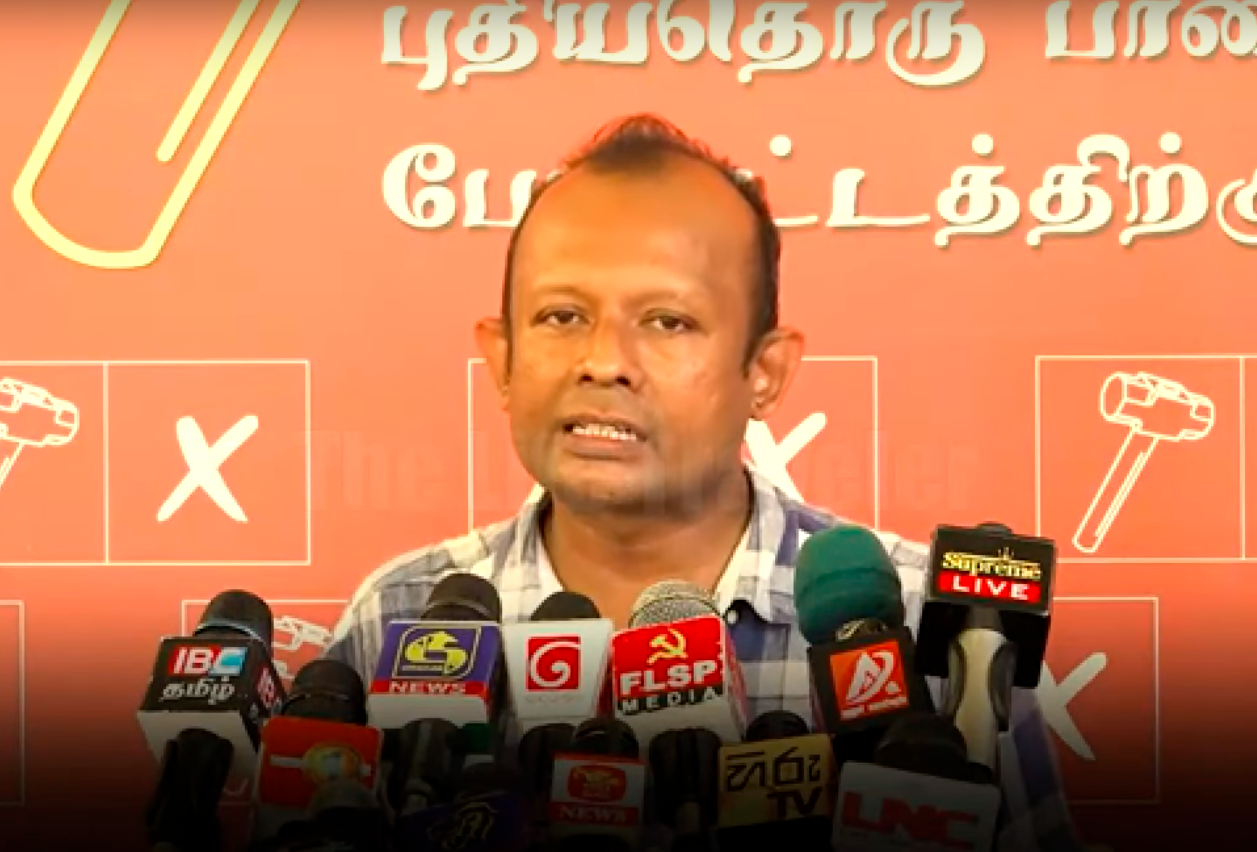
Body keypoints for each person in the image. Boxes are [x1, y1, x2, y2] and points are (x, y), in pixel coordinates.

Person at [325, 114, 1081, 850]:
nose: (604, 362)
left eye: (667, 321)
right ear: (502, 360)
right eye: (561, 316)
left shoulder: (934, 629)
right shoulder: (400, 621)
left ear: (765, 372)